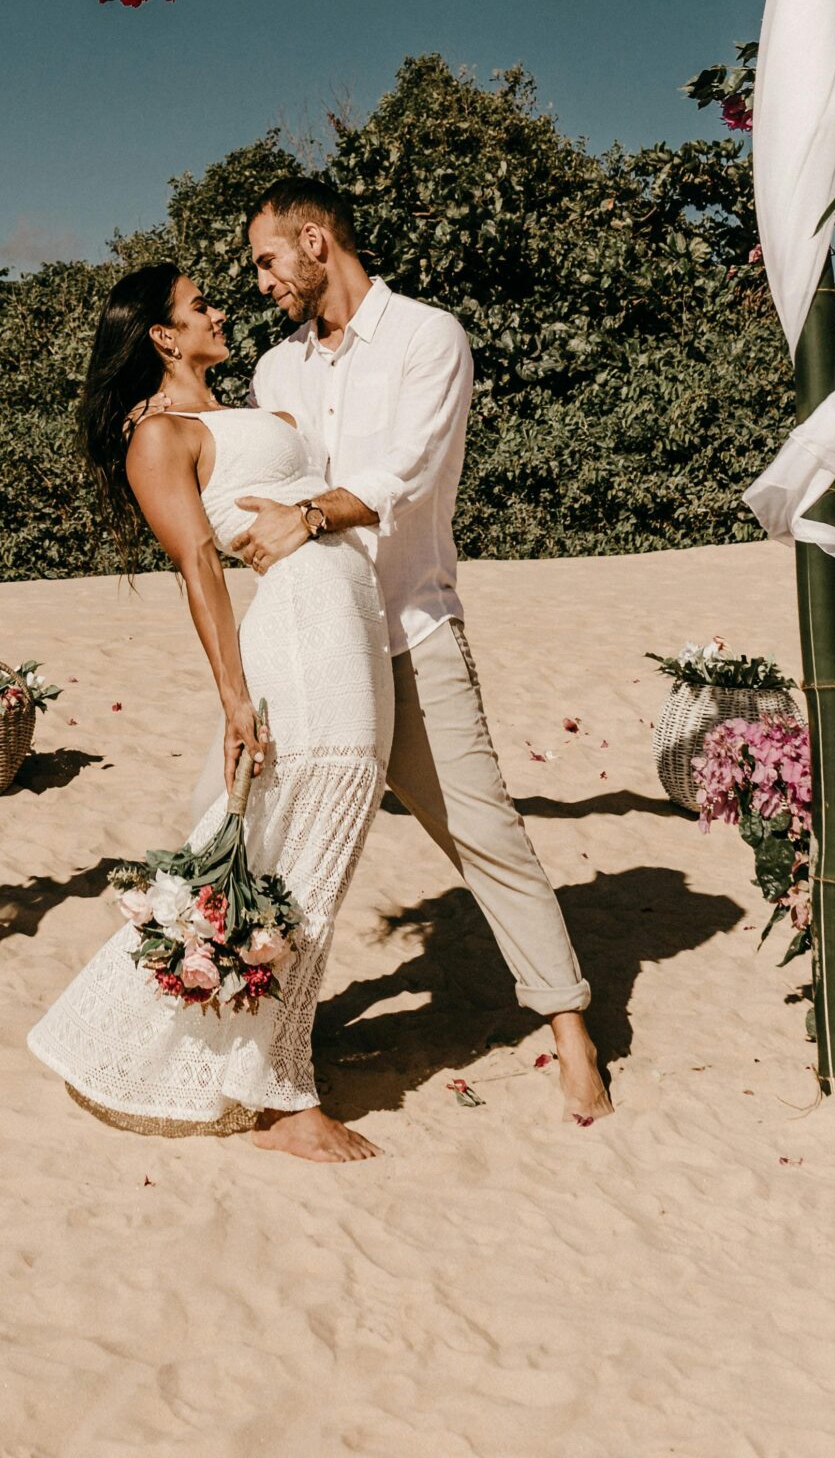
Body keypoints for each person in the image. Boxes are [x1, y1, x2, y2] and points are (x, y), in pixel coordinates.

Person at [235, 179, 611, 1123]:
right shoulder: (276, 372)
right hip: (315, 646)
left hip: (410, 628)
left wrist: (306, 517)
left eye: (268, 261)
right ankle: (276, 1037)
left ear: (316, 241)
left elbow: (404, 473)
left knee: (484, 831)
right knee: (293, 849)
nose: (263, 283)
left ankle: (570, 1029)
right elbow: (261, 487)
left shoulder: (427, 337)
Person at [26, 264, 394, 1162]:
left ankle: (264, 1052)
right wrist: (233, 697)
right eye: (199, 307)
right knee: (304, 834)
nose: (219, 311)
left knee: (318, 841)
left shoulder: (255, 405)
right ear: (162, 335)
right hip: (301, 636)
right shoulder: (160, 434)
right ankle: (280, 1098)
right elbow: (199, 565)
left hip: (352, 619)